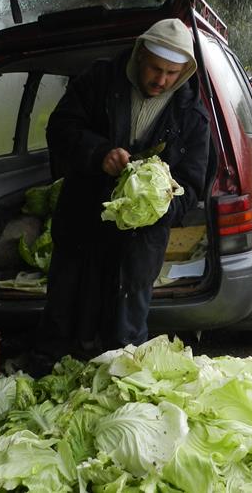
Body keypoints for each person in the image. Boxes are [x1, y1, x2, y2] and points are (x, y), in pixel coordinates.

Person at [33, 18, 210, 365]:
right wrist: (100, 153)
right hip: (82, 221)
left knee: (125, 331)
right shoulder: (99, 80)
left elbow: (192, 185)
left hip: (140, 242)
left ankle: (116, 397)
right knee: (62, 316)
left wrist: (158, 205)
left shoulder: (192, 117)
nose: (162, 80)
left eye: (172, 73)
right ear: (139, 55)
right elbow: (60, 128)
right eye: (156, 69)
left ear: (185, 72)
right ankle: (49, 385)